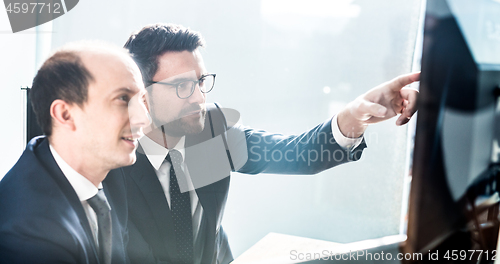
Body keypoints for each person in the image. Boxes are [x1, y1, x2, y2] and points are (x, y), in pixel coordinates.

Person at [117, 23, 419, 264]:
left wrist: (356, 115)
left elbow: (300, 154)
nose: (199, 97)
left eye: (200, 81)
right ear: (141, 92)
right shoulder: (109, 161)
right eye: (183, 86)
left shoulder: (211, 130)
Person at [0, 42, 150, 264]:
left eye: (142, 101)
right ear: (65, 114)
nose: (144, 119)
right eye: (123, 99)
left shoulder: (110, 175)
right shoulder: (30, 233)